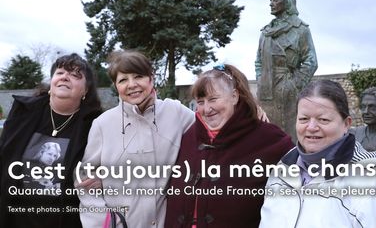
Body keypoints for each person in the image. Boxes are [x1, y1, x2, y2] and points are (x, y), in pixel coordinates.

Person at [259, 79, 376, 227]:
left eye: (323, 119)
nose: (311, 127)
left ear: (346, 124)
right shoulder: (282, 170)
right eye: (304, 119)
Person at [76, 50, 196, 228]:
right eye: (123, 80)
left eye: (138, 76)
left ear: (151, 78)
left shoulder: (176, 113)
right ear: (116, 86)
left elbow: (211, 135)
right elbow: (85, 181)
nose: (131, 85)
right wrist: (104, 223)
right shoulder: (103, 124)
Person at [164, 64, 294, 228]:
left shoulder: (271, 140)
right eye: (200, 102)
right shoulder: (189, 136)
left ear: (234, 96)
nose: (207, 109)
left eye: (213, 99)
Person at [0, 53, 103, 228]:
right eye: (60, 72)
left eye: (75, 75)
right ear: (51, 82)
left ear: (85, 90)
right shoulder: (23, 112)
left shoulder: (96, 124)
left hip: (65, 220)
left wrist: (105, 180)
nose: (65, 77)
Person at [255, 0, 318, 142]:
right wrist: (260, 80)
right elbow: (258, 61)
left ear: (287, 2)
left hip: (289, 89)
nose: (271, 3)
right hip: (266, 89)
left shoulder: (300, 29)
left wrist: (294, 84)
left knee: (290, 135)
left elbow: (311, 61)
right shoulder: (265, 32)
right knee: (266, 133)